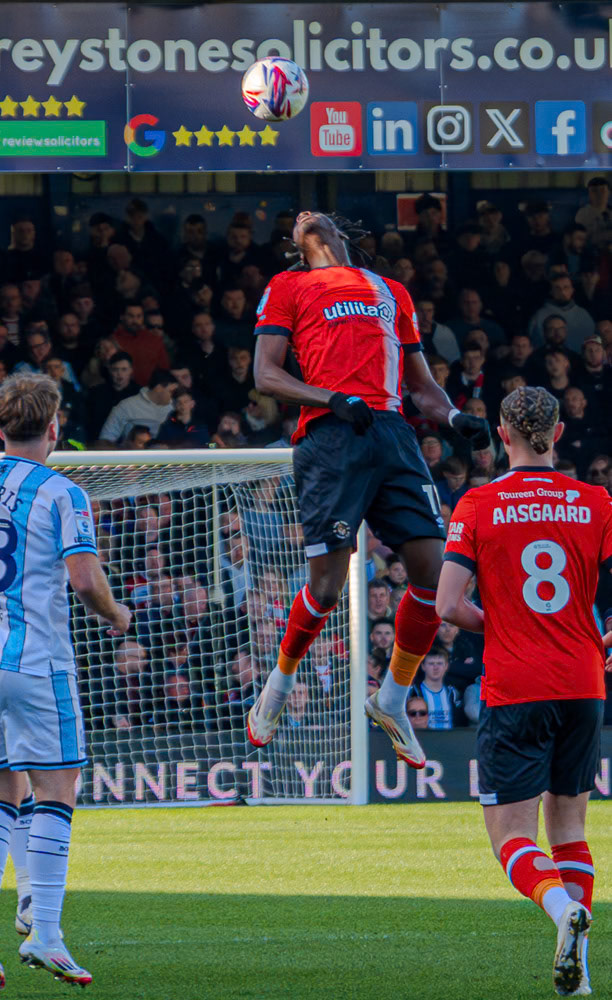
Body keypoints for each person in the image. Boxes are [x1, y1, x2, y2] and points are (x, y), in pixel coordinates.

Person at [246, 211, 489, 767]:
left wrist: (454, 420)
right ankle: (279, 685)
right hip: (332, 436)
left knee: (432, 572)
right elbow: (266, 375)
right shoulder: (288, 286)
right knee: (327, 589)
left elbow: (421, 386)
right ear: (296, 243)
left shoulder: (391, 290)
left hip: (393, 434)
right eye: (299, 220)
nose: (307, 215)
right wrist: (329, 398)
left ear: (340, 232)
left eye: (316, 215)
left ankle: (393, 698)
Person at [436, 385, 612, 995]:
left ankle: (563, 913)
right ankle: (580, 975)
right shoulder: (596, 501)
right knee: (570, 829)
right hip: (584, 683)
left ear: (502, 437)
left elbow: (447, 604)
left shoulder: (478, 505)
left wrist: (507, 620)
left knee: (511, 836)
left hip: (516, 684)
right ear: (559, 435)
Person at [0, 373, 130, 986]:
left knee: (3, 792)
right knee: (56, 788)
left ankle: (27, 907)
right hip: (34, 661)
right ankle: (45, 932)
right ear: (55, 429)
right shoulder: (61, 492)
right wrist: (117, 613)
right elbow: (83, 580)